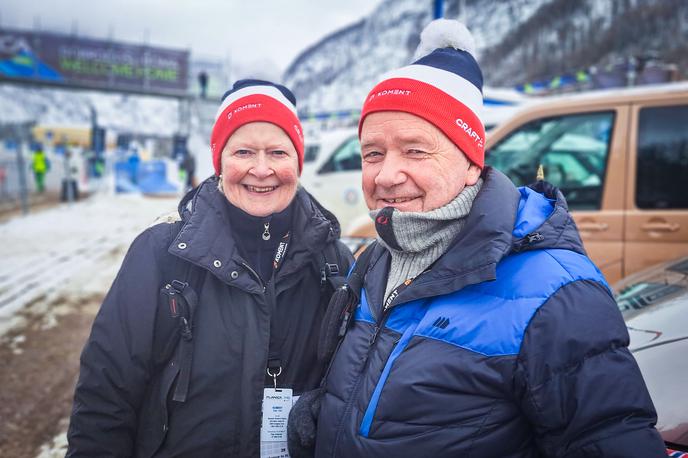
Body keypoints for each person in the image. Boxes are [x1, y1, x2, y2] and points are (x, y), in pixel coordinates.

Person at [289, 20, 666, 457]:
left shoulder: (555, 293)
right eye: (373, 153)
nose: (387, 174)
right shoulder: (376, 261)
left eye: (415, 150)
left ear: (471, 162)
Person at [67, 79, 353, 457]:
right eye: (244, 151)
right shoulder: (162, 254)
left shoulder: (334, 261)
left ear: (298, 161)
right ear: (219, 161)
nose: (262, 169)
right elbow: (106, 396)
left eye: (279, 152)